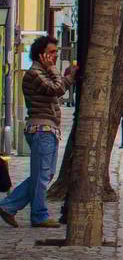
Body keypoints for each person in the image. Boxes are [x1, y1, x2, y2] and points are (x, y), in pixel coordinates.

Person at [0, 36, 74, 229]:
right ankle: (38, 215)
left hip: (49, 129)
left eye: (55, 52)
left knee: (46, 174)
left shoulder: (43, 72)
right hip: (41, 129)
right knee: (41, 175)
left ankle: (9, 206)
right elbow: (56, 89)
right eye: (51, 52)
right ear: (41, 54)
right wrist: (55, 71)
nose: (54, 56)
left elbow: (59, 86)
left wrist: (68, 77)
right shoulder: (35, 73)